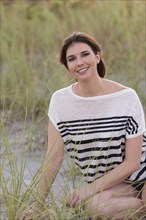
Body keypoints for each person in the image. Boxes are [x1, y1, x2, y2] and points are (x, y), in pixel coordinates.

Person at [24, 32, 146, 219]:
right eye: (71, 59)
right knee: (95, 208)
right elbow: (53, 159)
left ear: (97, 57)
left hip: (141, 175)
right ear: (68, 67)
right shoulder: (60, 101)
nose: (79, 62)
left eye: (85, 54)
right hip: (114, 184)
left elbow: (133, 162)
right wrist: (39, 206)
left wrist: (89, 189)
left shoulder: (126, 97)